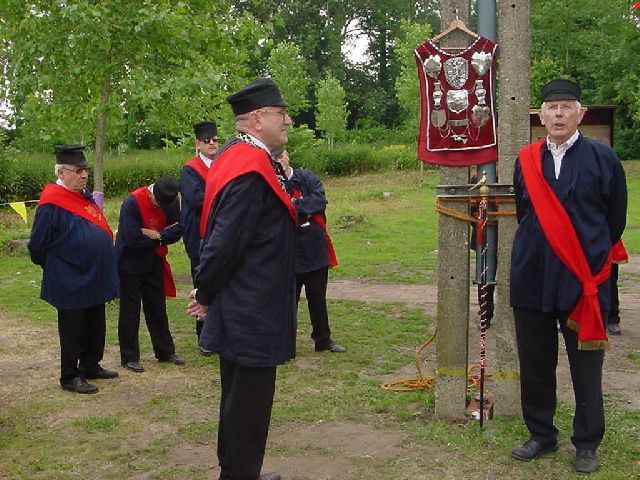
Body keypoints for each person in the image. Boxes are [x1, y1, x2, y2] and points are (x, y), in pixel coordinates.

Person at [509, 79, 627, 474]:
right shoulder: (525, 159)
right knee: (536, 362)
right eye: (551, 108)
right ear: (541, 116)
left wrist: (584, 259)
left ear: (581, 114)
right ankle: (541, 434)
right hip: (533, 276)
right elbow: (525, 213)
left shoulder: (602, 159)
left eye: (566, 107)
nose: (558, 114)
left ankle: (587, 442)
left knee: (585, 367)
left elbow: (615, 222)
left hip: (582, 282)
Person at [187, 77, 295, 480]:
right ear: (256, 118)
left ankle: (236, 471)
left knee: (238, 401)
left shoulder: (241, 157)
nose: (286, 120)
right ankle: (240, 474)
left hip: (245, 303)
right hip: (250, 308)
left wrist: (208, 290)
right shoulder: (250, 168)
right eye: (279, 114)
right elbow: (223, 244)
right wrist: (205, 292)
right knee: (247, 405)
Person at [28, 144, 119, 394]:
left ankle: (91, 365)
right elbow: (37, 245)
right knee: (72, 329)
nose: (84, 175)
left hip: (93, 274)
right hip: (70, 277)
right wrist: (57, 267)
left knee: (95, 324)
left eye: (85, 170)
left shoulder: (83, 196)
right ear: (61, 173)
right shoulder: (51, 203)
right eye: (78, 171)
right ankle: (70, 376)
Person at [274, 148, 346, 353]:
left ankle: (323, 340)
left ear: (288, 156)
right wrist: (301, 207)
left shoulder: (307, 177)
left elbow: (319, 201)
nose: (280, 160)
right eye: (275, 157)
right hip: (289, 249)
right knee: (288, 300)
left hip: (314, 247)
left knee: (317, 297)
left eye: (282, 155)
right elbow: (277, 211)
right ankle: (285, 343)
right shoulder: (271, 183)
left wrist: (296, 205)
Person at [116, 175, 185, 373]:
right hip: (129, 261)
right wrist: (163, 237)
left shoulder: (171, 201)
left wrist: (158, 235)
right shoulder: (132, 202)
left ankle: (165, 351)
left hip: (153, 259)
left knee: (157, 306)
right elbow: (132, 239)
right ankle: (129, 356)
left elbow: (180, 229)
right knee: (130, 310)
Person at [180, 121, 219, 341]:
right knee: (201, 284)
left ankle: (219, 330)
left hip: (219, 234)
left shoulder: (222, 164)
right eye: (207, 141)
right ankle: (203, 335)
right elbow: (196, 200)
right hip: (199, 235)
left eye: (215, 140)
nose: (212, 144)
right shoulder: (190, 170)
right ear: (198, 144)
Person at [607, 239, 628, 335]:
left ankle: (612, 319)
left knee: (610, 283)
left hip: (607, 241)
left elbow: (617, 224)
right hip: (579, 241)